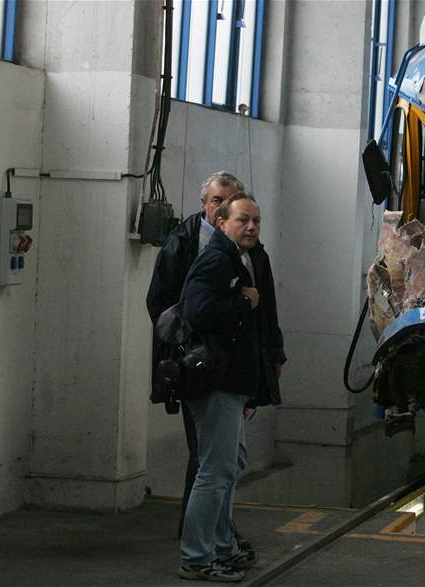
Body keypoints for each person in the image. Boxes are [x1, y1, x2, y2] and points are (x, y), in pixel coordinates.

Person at [177, 192, 285, 582]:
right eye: (243, 220)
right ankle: (197, 557)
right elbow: (196, 311)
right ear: (222, 222)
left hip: (233, 382)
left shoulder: (241, 259)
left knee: (229, 465)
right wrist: (243, 302)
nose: (252, 227)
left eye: (256, 220)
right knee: (215, 470)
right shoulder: (216, 261)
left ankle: (222, 547)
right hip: (215, 382)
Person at [146, 171, 254, 547]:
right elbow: (164, 307)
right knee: (210, 460)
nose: (223, 207)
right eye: (217, 201)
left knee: (225, 461)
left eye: (231, 201)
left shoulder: (244, 251)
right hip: (199, 368)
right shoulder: (188, 247)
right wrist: (190, 349)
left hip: (230, 369)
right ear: (207, 206)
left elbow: (261, 314)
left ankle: (214, 537)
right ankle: (200, 542)